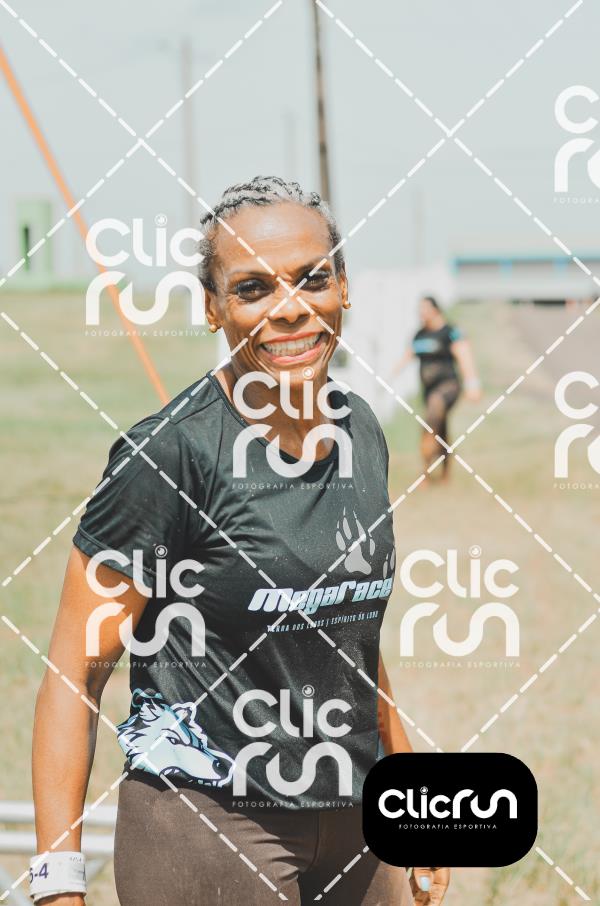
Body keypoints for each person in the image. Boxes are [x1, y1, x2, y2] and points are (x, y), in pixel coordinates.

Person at [31, 177, 450, 906]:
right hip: (207, 822)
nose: (289, 308)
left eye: (312, 278)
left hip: (354, 815)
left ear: (344, 287)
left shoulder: (361, 430)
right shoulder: (170, 457)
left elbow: (352, 637)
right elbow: (76, 674)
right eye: (253, 288)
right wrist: (57, 886)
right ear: (213, 308)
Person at [393, 295, 481, 480]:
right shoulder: (419, 334)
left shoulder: (450, 332)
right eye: (419, 310)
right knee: (439, 428)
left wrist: (472, 385)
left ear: (436, 310)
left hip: (448, 386)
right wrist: (388, 378)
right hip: (428, 390)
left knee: (432, 417)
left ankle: (425, 472)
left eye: (424, 309)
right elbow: (406, 358)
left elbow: (464, 356)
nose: (421, 313)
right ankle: (445, 473)